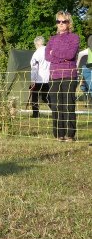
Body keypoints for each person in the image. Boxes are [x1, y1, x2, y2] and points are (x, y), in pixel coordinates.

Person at [45, 11, 80, 142]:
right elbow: (47, 56)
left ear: (68, 23)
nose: (60, 24)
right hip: (54, 75)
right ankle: (59, 134)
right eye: (58, 21)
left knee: (68, 105)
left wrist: (55, 54)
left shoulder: (74, 38)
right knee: (56, 105)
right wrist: (61, 57)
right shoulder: (52, 39)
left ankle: (70, 134)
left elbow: (70, 55)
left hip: (69, 75)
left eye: (63, 21)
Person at [29, 36, 51, 118]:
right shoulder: (49, 50)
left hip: (39, 78)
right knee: (46, 97)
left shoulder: (37, 53)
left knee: (34, 96)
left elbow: (34, 68)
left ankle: (35, 114)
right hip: (48, 78)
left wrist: (32, 80)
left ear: (36, 44)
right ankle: (55, 110)